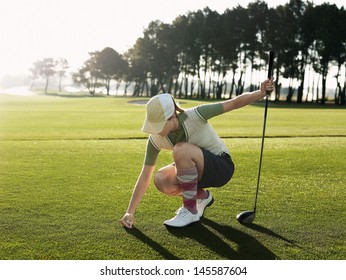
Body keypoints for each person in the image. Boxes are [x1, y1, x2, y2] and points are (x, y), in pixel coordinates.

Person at [121, 78, 274, 228]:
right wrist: (130, 212)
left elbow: (233, 103)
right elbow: (145, 174)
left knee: (181, 149)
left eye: (159, 125)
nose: (156, 130)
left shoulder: (196, 115)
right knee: (161, 179)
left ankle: (190, 210)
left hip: (221, 167)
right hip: (196, 172)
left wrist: (260, 93)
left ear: (172, 116)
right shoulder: (156, 139)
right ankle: (202, 197)